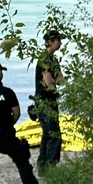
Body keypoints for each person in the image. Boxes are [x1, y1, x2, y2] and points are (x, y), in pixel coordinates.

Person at [35, 30, 65, 170]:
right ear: (51, 41)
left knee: (49, 133)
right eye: (59, 40)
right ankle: (49, 166)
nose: (61, 43)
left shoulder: (53, 60)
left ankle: (44, 165)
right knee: (53, 134)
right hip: (45, 101)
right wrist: (54, 81)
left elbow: (61, 78)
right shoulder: (44, 59)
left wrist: (56, 80)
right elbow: (49, 82)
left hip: (51, 100)